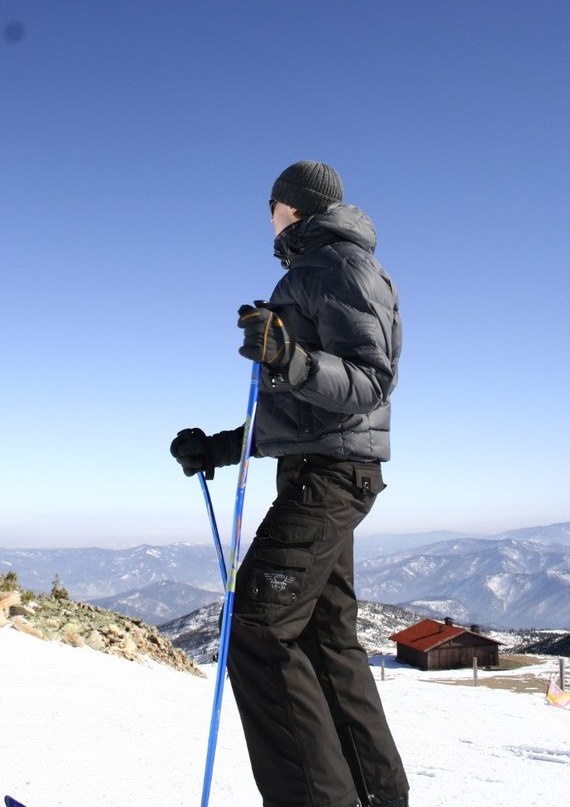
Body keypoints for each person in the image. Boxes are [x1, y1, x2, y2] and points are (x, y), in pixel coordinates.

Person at [171, 160, 409, 807]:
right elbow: (300, 414)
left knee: (257, 625)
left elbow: (369, 381)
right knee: (326, 638)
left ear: (292, 207)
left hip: (329, 478)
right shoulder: (313, 269)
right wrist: (216, 449)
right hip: (323, 468)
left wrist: (290, 359)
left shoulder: (340, 265)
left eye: (270, 205)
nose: (267, 216)